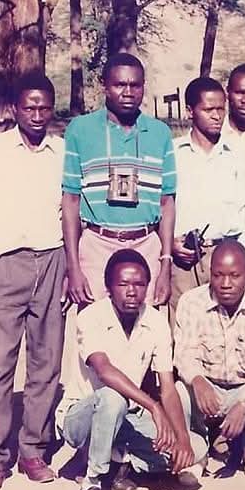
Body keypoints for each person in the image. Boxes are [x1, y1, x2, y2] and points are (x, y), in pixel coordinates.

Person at [57, 250, 206, 490]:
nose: (131, 291)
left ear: (147, 287)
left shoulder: (156, 322)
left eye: (139, 284)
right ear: (109, 287)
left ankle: (121, 460)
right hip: (82, 417)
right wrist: (153, 407)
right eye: (123, 284)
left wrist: (182, 440)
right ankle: (92, 482)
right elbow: (104, 371)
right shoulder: (91, 317)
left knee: (196, 449)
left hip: (129, 416)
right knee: (112, 398)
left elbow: (168, 387)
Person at [0, 75, 66, 490]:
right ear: (15, 108)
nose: (37, 115)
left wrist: (70, 270)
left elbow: (70, 210)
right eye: (29, 107)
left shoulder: (61, 151)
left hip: (52, 261)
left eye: (44, 107)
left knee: (46, 363)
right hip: (6, 264)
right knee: (0, 365)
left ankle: (32, 450)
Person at [62, 53, 176, 307]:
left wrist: (165, 263)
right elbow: (70, 200)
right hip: (96, 245)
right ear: (105, 86)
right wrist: (73, 266)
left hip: (146, 244)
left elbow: (167, 202)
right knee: (94, 324)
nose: (128, 92)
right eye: (119, 85)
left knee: (146, 325)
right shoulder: (80, 129)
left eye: (135, 85)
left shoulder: (160, 133)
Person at [173, 241, 245, 477]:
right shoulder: (191, 302)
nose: (225, 284)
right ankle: (198, 449)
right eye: (218, 275)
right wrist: (197, 380)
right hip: (208, 388)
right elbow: (183, 354)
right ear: (210, 273)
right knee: (179, 392)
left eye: (234, 276)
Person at [170, 76, 245, 320]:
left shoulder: (235, 155)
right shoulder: (172, 153)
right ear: (190, 111)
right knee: (183, 324)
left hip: (224, 256)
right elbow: (162, 206)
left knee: (224, 326)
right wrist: (170, 244)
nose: (217, 116)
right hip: (184, 258)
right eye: (208, 109)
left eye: (221, 109)